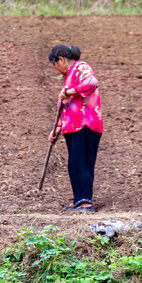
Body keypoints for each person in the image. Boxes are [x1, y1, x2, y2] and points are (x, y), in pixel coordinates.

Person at [47, 44, 103, 211]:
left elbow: (92, 82)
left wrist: (70, 91)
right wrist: (56, 130)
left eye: (55, 64)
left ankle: (86, 202)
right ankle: (79, 201)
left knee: (81, 162)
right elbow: (63, 109)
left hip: (86, 123)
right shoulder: (69, 77)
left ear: (62, 59)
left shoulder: (81, 67)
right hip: (73, 126)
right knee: (73, 164)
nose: (55, 68)